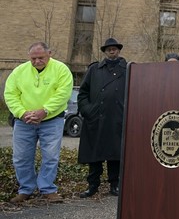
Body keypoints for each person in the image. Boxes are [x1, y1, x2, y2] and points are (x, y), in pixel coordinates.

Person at [4, 42, 73, 203]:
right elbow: (10, 94)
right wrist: (21, 113)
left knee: (50, 156)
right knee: (21, 157)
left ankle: (47, 188)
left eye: (41, 57)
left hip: (52, 120)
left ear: (49, 53)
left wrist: (45, 110)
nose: (37, 61)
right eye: (33, 58)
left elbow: (63, 93)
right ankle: (26, 189)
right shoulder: (19, 71)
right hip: (24, 121)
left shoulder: (61, 69)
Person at [77, 38, 127, 198]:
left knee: (115, 154)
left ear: (118, 50)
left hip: (117, 118)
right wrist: (87, 110)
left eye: (114, 48)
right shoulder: (94, 70)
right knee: (95, 154)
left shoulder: (127, 69)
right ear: (104, 51)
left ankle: (115, 184)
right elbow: (83, 92)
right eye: (108, 49)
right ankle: (92, 185)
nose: (112, 51)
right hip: (96, 118)